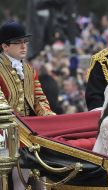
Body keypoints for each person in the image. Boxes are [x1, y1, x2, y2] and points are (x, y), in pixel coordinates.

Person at [0, 21, 55, 190]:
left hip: (30, 131)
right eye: (18, 43)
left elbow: (39, 99)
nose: (24, 46)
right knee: (15, 176)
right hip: (5, 131)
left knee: (41, 174)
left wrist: (48, 118)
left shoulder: (29, 70)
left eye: (25, 42)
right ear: (5, 46)